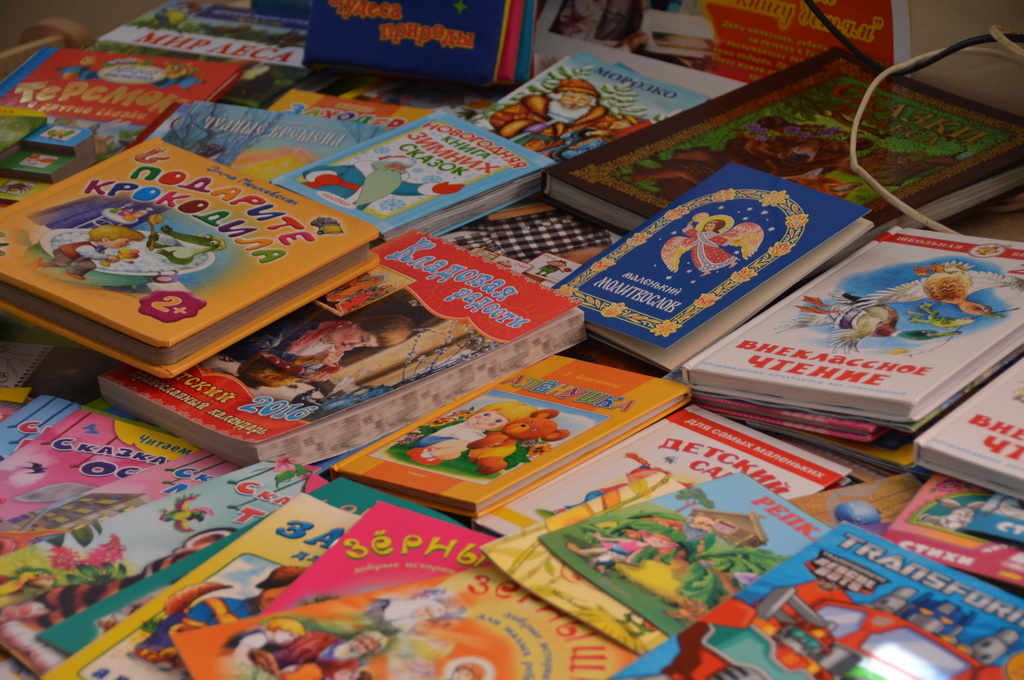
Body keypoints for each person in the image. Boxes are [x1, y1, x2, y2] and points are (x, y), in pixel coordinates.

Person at [405, 401, 536, 465]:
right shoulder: (463, 427)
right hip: (431, 441)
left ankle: (429, 455)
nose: (485, 420)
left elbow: (478, 437)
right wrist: (485, 442)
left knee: (455, 454)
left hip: (443, 445)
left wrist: (488, 441)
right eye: (486, 414)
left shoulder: (479, 431)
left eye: (497, 421)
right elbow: (464, 436)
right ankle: (426, 453)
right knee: (462, 445)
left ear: (501, 427)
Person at [34, 224, 143, 280]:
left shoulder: (100, 246)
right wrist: (106, 257)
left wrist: (107, 258)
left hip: (79, 256)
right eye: (126, 241)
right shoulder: (87, 246)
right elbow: (89, 253)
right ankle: (42, 262)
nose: (127, 244)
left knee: (90, 265)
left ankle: (74, 272)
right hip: (65, 254)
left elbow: (95, 254)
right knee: (61, 264)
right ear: (105, 239)